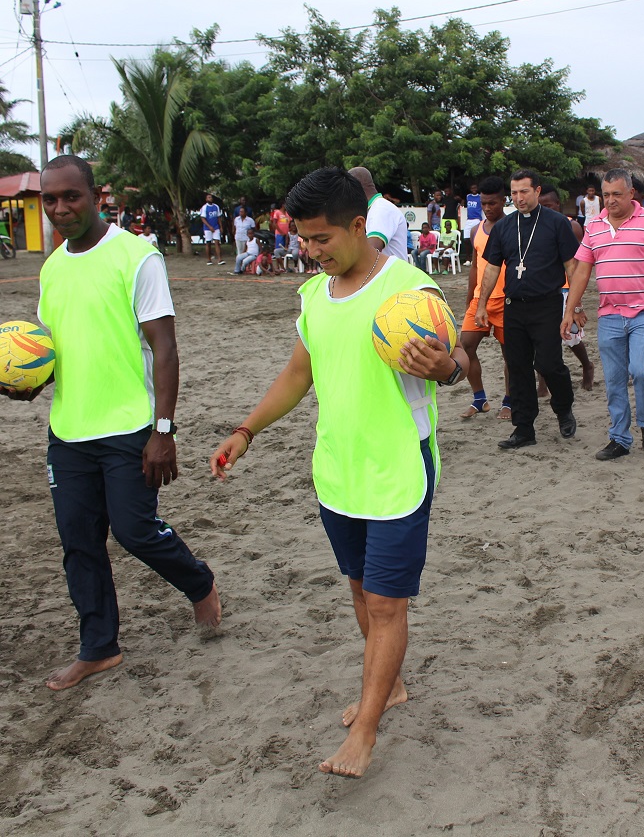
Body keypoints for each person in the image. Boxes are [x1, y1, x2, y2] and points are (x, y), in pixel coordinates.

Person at [210, 167, 468, 779]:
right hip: (337, 469)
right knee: (359, 588)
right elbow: (300, 373)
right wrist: (246, 431)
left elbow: (454, 358)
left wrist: (446, 369)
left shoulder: (410, 291)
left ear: (359, 226)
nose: (310, 250)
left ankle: (368, 731)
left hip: (400, 467)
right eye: (302, 238)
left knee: (385, 603)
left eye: (322, 238)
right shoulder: (313, 296)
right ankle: (393, 684)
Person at [2, 155, 220, 691]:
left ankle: (199, 583)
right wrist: (27, 383)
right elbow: (56, 349)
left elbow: (164, 348)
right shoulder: (52, 267)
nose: (59, 208)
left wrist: (162, 431)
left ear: (95, 196)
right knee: (79, 542)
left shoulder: (136, 256)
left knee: (134, 531)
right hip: (68, 432)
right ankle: (99, 646)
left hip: (130, 428)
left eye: (70, 196)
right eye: (49, 200)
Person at [563, 169, 644, 460]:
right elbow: (582, 271)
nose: (610, 200)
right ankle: (620, 439)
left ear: (631, 194)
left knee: (641, 371)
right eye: (606, 194)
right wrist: (570, 310)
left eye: (616, 194)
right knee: (614, 379)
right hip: (609, 314)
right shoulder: (595, 225)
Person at [476, 169, 579, 449]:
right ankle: (523, 429)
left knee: (548, 364)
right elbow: (492, 268)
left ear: (536, 190)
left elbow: (572, 266)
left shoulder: (557, 223)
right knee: (518, 367)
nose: (519, 198)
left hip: (546, 304)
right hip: (514, 307)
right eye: (514, 193)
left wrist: (575, 305)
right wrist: (482, 304)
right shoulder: (504, 227)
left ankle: (563, 409)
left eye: (524, 191)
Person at [461, 177, 512, 419]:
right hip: (480, 301)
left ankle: (510, 401)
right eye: (484, 204)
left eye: (492, 203)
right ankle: (479, 398)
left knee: (509, 354)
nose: (488, 208)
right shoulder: (476, 230)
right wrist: (470, 296)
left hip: (507, 301)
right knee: (465, 346)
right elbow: (475, 266)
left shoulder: (513, 227)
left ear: (504, 200)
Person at [540, 184, 596, 392]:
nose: (545, 210)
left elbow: (580, 263)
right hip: (544, 288)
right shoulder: (537, 227)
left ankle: (586, 365)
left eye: (549, 206)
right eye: (541, 206)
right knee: (543, 336)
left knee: (570, 337)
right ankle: (543, 381)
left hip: (566, 287)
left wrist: (577, 301)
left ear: (558, 205)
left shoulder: (571, 227)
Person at [349, 167, 409, 262]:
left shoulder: (381, 208)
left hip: (393, 275)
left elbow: (371, 251)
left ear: (355, 188)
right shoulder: (373, 209)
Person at [199, 193, 224, 265]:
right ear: (206, 199)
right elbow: (203, 219)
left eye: (211, 197)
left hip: (216, 227)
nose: (210, 198)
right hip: (207, 228)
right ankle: (209, 259)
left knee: (217, 242)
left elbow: (218, 217)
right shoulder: (204, 207)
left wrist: (220, 226)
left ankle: (219, 259)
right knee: (208, 243)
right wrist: (209, 227)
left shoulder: (216, 206)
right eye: (209, 197)